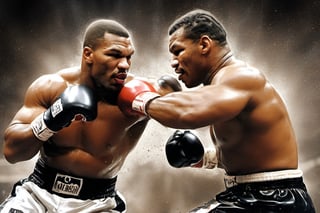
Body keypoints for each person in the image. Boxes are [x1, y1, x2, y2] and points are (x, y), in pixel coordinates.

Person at [117, 9, 316, 212]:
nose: (173, 63)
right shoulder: (220, 86)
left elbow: (186, 113)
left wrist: (138, 98)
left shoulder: (239, 76)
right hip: (259, 197)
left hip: (272, 198)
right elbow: (248, 152)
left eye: (178, 51)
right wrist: (204, 158)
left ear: (204, 45)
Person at [1, 19, 180, 213]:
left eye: (129, 57)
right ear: (88, 54)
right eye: (114, 55)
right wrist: (49, 121)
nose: (124, 65)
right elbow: (12, 152)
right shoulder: (51, 88)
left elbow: (187, 110)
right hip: (38, 196)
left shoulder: (143, 93)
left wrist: (149, 103)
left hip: (97, 205)